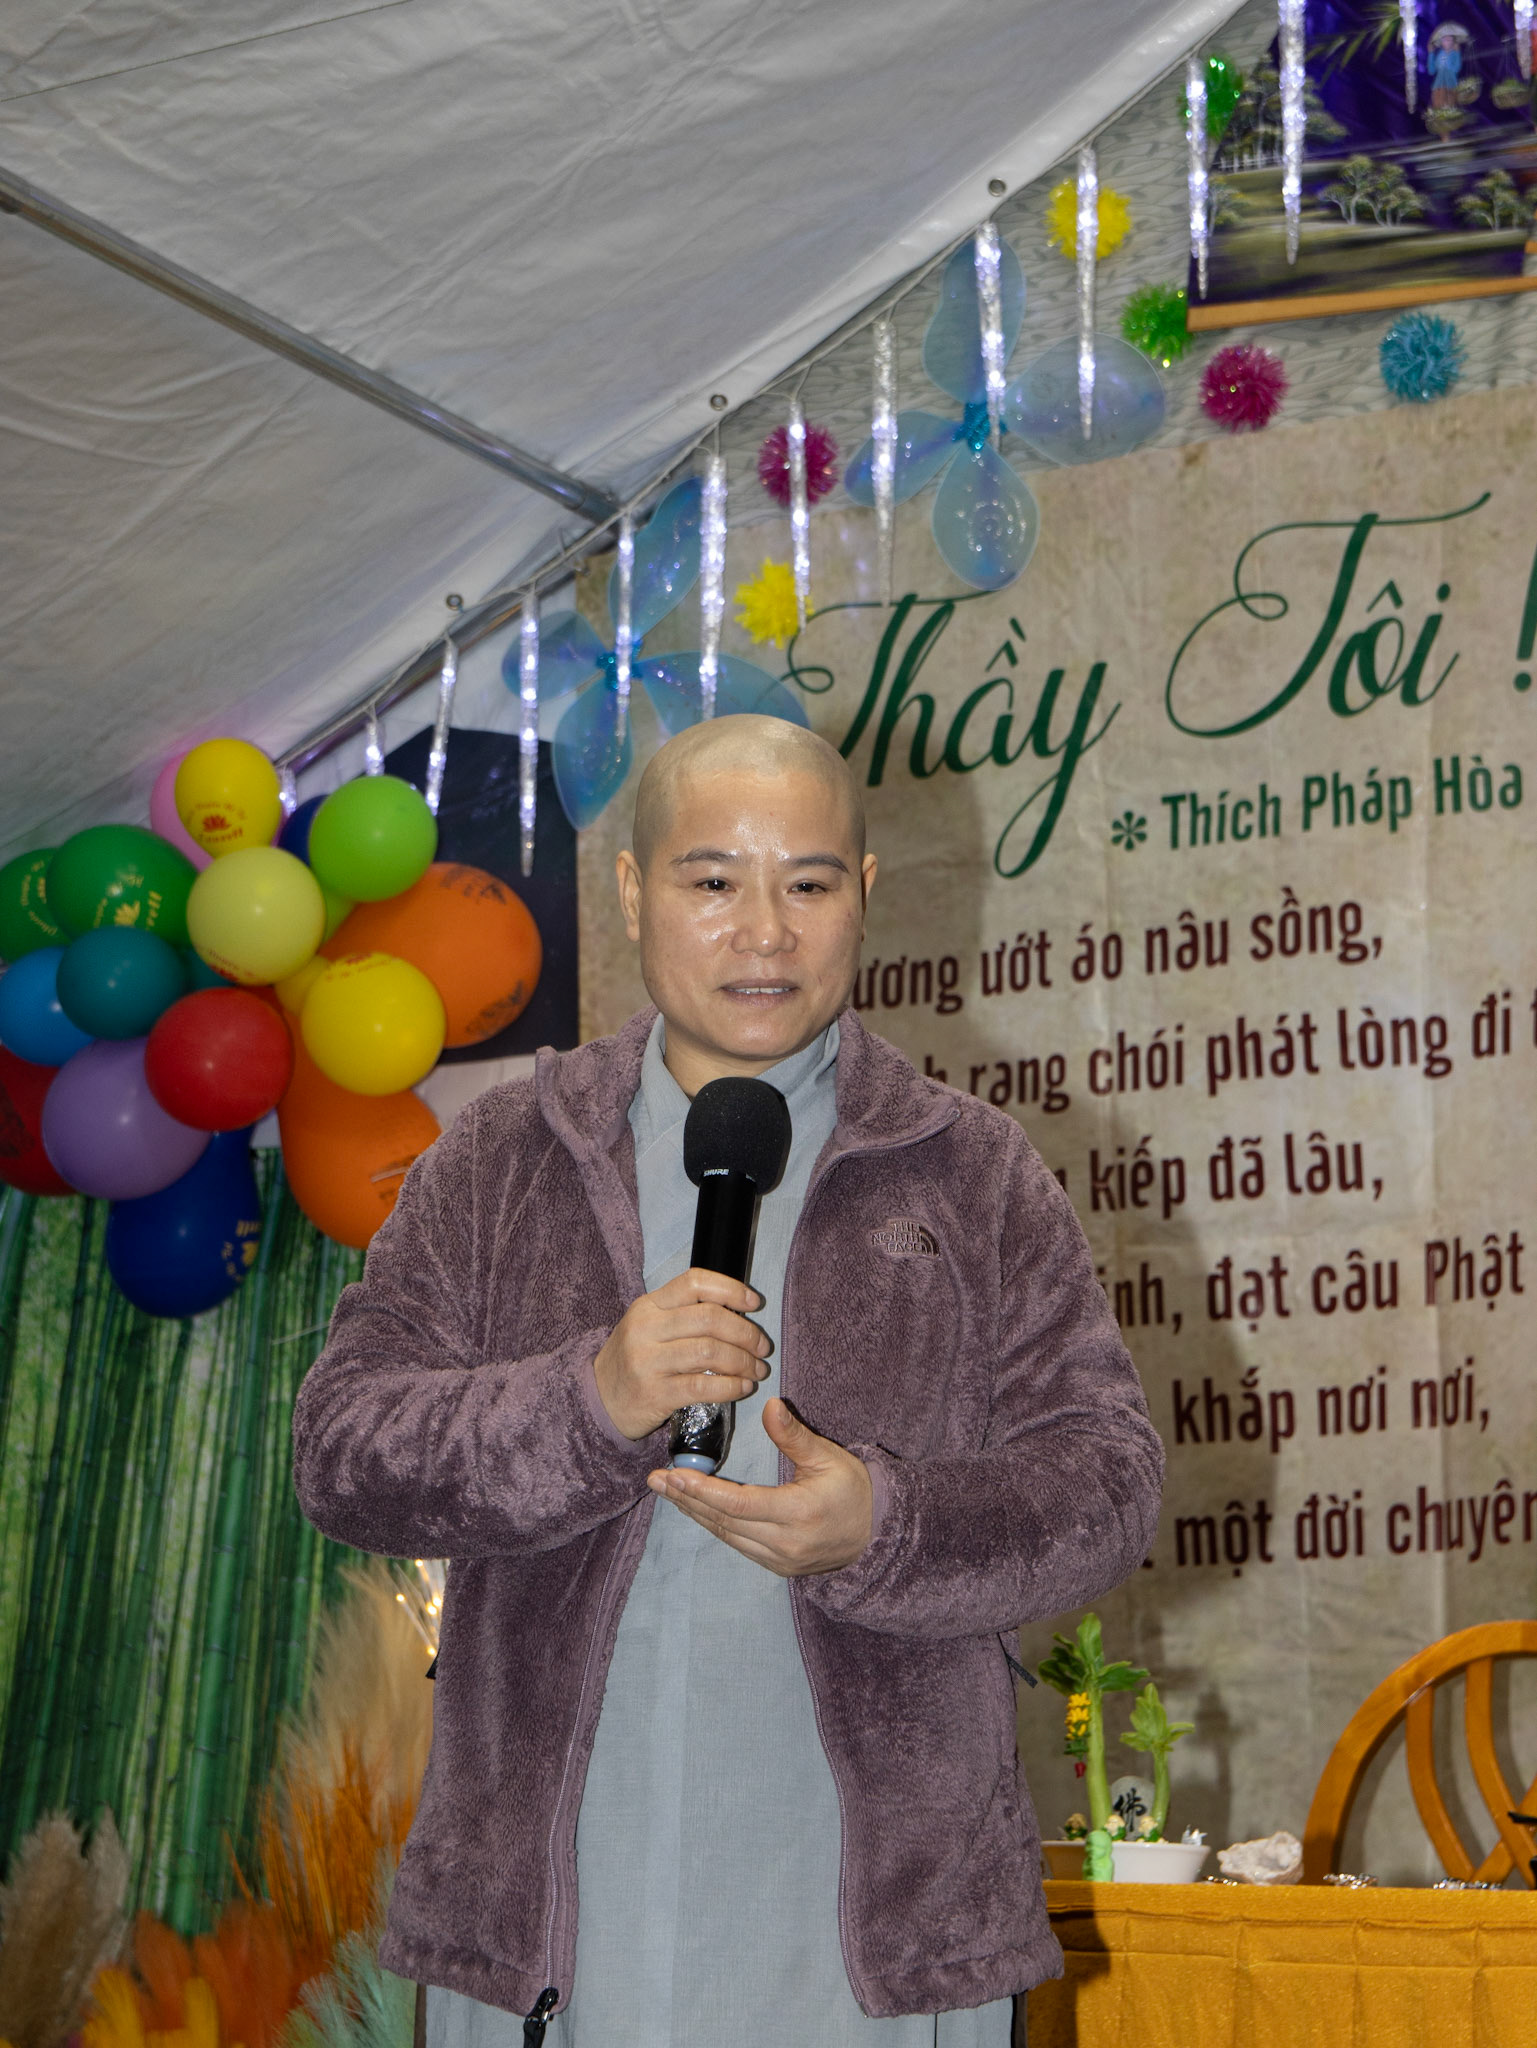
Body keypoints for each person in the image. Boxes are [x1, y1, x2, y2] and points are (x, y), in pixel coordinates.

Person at [291, 713, 1163, 2046]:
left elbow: (1106, 1482)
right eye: (712, 881)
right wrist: (588, 1400)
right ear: (631, 891)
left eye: (808, 885)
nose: (764, 933)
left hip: (872, 1937)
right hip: (552, 1924)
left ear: (864, 894)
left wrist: (888, 1526)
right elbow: (343, 1451)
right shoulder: (508, 1155)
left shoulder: (969, 1169)